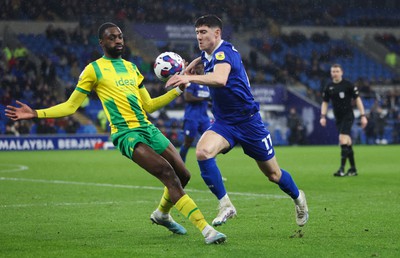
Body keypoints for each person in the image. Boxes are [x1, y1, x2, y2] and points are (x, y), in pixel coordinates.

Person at [5, 22, 226, 245]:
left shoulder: (132, 68)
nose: (118, 40)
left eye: (120, 36)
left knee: (184, 175)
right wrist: (35, 113)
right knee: (167, 173)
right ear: (101, 43)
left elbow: (148, 105)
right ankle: (206, 230)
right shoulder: (94, 69)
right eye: (112, 38)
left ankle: (161, 215)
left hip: (146, 127)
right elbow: (71, 106)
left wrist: (179, 89)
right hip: (126, 134)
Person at [167, 15, 308, 227]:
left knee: (273, 174)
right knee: (203, 152)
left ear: (217, 33)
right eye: (197, 33)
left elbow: (220, 79)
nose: (199, 37)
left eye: (203, 32)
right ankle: (226, 205)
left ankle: (299, 198)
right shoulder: (208, 54)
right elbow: (204, 60)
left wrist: (188, 77)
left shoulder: (226, 52)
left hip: (249, 122)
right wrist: (192, 66)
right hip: (224, 123)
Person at [320, 63, 368, 177]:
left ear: (342, 72)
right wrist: (323, 116)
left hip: (348, 116)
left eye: (337, 71)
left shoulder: (348, 85)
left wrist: (363, 115)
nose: (335, 73)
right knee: (347, 142)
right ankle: (353, 169)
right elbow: (325, 102)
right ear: (331, 73)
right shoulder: (329, 87)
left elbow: (358, 100)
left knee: (342, 139)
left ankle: (341, 169)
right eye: (333, 71)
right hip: (338, 117)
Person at [179, 63, 211, 162]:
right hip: (192, 117)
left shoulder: (207, 83)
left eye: (200, 66)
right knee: (188, 142)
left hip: (204, 118)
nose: (199, 68)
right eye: (196, 67)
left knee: (210, 144)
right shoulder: (192, 82)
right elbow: (187, 97)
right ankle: (180, 167)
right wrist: (204, 98)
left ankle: (213, 171)